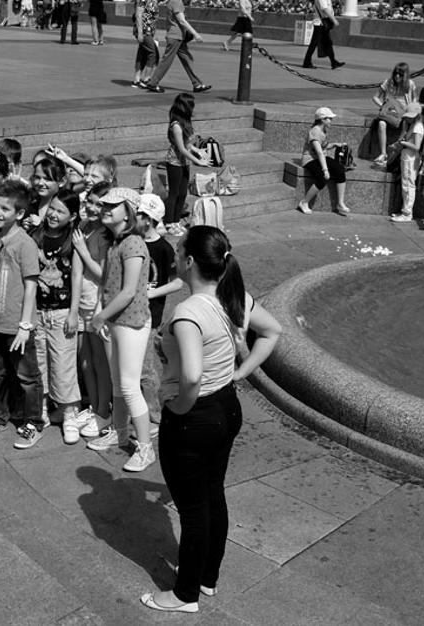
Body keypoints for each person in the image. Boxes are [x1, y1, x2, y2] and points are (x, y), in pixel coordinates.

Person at [140, 226, 281, 613]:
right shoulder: (234, 297)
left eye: (179, 246)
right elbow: (272, 332)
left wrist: (181, 406)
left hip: (194, 417)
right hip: (226, 407)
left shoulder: (187, 312)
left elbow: (191, 375)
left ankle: (184, 595)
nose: (174, 251)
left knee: (193, 508)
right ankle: (207, 578)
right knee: (212, 493)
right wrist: (239, 373)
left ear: (188, 261)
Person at [0, 181, 46, 449]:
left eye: (5, 208)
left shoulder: (24, 244)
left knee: (27, 377)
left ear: (20, 213)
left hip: (16, 326)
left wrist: (25, 325)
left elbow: (31, 286)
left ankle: (33, 422)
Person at [87, 188, 155, 472]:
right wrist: (102, 315)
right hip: (117, 320)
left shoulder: (133, 244)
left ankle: (145, 447)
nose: (105, 208)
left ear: (127, 211)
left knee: (128, 384)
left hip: (131, 321)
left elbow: (128, 292)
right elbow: (109, 283)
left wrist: (100, 316)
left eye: (112, 205)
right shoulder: (116, 242)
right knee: (119, 381)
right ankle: (120, 431)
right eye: (104, 204)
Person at [32, 189, 84, 440]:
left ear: (72, 215)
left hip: (62, 312)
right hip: (38, 311)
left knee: (63, 364)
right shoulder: (36, 235)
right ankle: (42, 407)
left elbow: (76, 276)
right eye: (52, 208)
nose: (53, 214)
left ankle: (70, 413)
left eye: (60, 211)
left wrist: (74, 312)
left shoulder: (74, 239)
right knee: (39, 362)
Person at [71, 181, 113, 439]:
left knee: (100, 362)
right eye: (91, 202)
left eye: (101, 204)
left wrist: (85, 252)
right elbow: (76, 274)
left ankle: (103, 411)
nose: (94, 208)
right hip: (83, 305)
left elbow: (105, 275)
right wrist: (73, 308)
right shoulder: (83, 227)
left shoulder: (107, 235)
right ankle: (93, 406)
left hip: (98, 305)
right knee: (85, 362)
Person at [138, 194, 179, 431]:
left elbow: (177, 282)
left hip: (150, 314)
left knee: (146, 367)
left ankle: (155, 412)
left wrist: (152, 293)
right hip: (129, 313)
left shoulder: (163, 248)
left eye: (139, 214)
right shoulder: (132, 240)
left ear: (149, 219)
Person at [164, 93, 211, 235]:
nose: (193, 108)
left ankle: (177, 221)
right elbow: (181, 149)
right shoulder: (176, 125)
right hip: (174, 162)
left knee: (183, 193)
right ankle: (169, 222)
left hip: (184, 162)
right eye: (191, 105)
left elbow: (188, 144)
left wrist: (199, 151)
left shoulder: (185, 123)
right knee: (174, 193)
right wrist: (198, 161)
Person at [143, 0, 210, 94]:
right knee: (167, 60)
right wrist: (195, 34)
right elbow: (182, 20)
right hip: (175, 36)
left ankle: (197, 84)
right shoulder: (177, 1)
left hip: (177, 36)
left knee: (187, 59)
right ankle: (153, 83)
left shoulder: (172, 1)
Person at [297, 107, 353, 216]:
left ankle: (340, 203)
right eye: (329, 119)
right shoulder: (315, 131)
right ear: (323, 119)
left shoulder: (323, 130)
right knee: (322, 178)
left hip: (319, 158)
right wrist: (325, 169)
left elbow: (324, 145)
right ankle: (304, 202)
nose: (331, 121)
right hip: (310, 159)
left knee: (340, 170)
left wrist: (336, 144)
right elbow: (319, 152)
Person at [371, 62, 418, 167]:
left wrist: (412, 109)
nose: (397, 76)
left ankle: (395, 150)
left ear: (405, 75)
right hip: (389, 113)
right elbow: (375, 97)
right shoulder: (388, 83)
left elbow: (414, 99)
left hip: (404, 113)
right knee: (381, 123)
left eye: (400, 74)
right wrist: (383, 106)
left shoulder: (410, 84)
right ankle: (383, 153)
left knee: (406, 124)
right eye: (395, 73)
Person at [389, 103, 424, 223]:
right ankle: (405, 210)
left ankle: (407, 213)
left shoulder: (417, 127)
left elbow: (416, 146)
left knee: (408, 185)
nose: (408, 118)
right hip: (407, 156)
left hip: (411, 157)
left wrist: (403, 143)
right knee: (406, 184)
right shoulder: (412, 125)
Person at [301, 0, 344, 70]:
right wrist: (334, 20)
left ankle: (333, 62)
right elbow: (324, 9)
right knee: (314, 43)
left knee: (328, 42)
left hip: (322, 23)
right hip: (320, 23)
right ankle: (306, 62)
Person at [132, 0, 160, 88]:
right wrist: (140, 33)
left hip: (149, 31)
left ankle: (136, 79)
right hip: (144, 31)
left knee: (142, 53)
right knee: (152, 53)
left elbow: (152, 16)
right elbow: (138, 15)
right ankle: (147, 79)